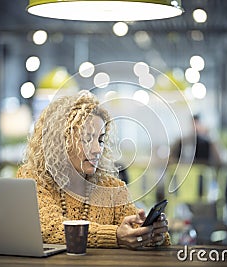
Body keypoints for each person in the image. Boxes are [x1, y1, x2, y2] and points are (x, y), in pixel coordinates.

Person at [16, 91, 170, 249]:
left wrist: (153, 233)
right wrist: (115, 235)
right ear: (59, 141)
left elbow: (132, 232)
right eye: (87, 138)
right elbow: (48, 228)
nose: (98, 149)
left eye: (101, 139)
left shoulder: (113, 189)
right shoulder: (33, 180)